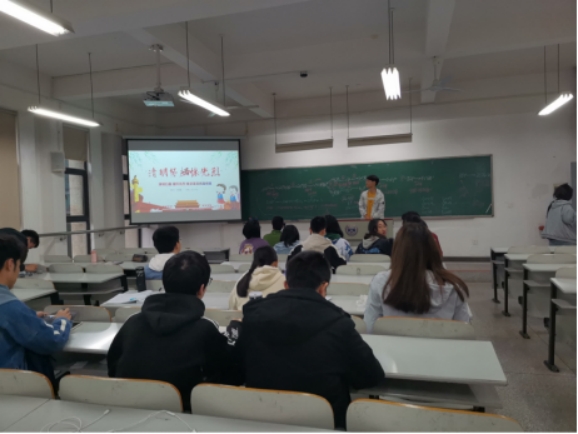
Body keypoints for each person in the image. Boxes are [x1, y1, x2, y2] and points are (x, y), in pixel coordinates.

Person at [235, 251, 384, 429]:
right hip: (325, 426)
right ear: (323, 287)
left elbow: (235, 372)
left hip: (262, 424)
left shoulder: (252, 319)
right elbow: (371, 376)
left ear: (286, 285)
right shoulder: (339, 326)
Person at [108, 251, 237, 411]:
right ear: (202, 289)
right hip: (184, 415)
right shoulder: (206, 329)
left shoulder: (132, 322)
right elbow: (227, 377)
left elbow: (112, 366)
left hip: (129, 409)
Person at [364, 222, 471, 333]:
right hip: (438, 344)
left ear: (397, 251)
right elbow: (464, 332)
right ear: (432, 250)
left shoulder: (381, 282)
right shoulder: (453, 287)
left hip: (391, 344)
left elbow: (369, 328)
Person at [0, 235, 72, 378]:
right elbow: (52, 341)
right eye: (19, 266)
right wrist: (62, 320)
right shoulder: (9, 306)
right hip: (11, 384)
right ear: (10, 264)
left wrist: (29, 316)